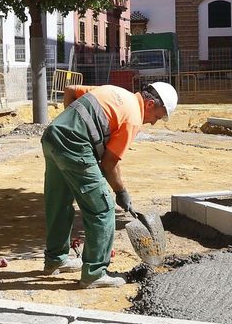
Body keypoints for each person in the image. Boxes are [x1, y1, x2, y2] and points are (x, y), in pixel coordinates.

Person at [41, 80, 178, 288]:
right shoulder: (133, 119)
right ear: (150, 104)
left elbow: (70, 91)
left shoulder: (115, 91)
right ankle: (94, 273)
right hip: (75, 145)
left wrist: (73, 124)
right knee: (102, 209)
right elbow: (109, 164)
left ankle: (55, 259)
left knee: (58, 203)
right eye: (157, 117)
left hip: (53, 135)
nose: (153, 123)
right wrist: (121, 192)